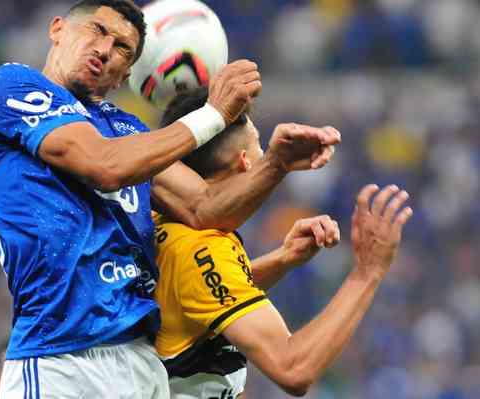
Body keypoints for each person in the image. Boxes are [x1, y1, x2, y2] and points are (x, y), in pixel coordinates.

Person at [0, 1, 340, 398]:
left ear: (126, 76)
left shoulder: (126, 129)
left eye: (123, 49)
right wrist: (213, 114)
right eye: (97, 30)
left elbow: (203, 208)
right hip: (59, 360)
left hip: (142, 364)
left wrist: (275, 164)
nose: (105, 49)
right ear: (57, 29)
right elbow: (103, 165)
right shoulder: (12, 86)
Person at [152, 89, 413, 398]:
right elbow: (293, 369)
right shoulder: (203, 246)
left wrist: (283, 259)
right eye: (260, 145)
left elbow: (200, 293)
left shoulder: (164, 219)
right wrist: (368, 272)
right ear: (246, 162)